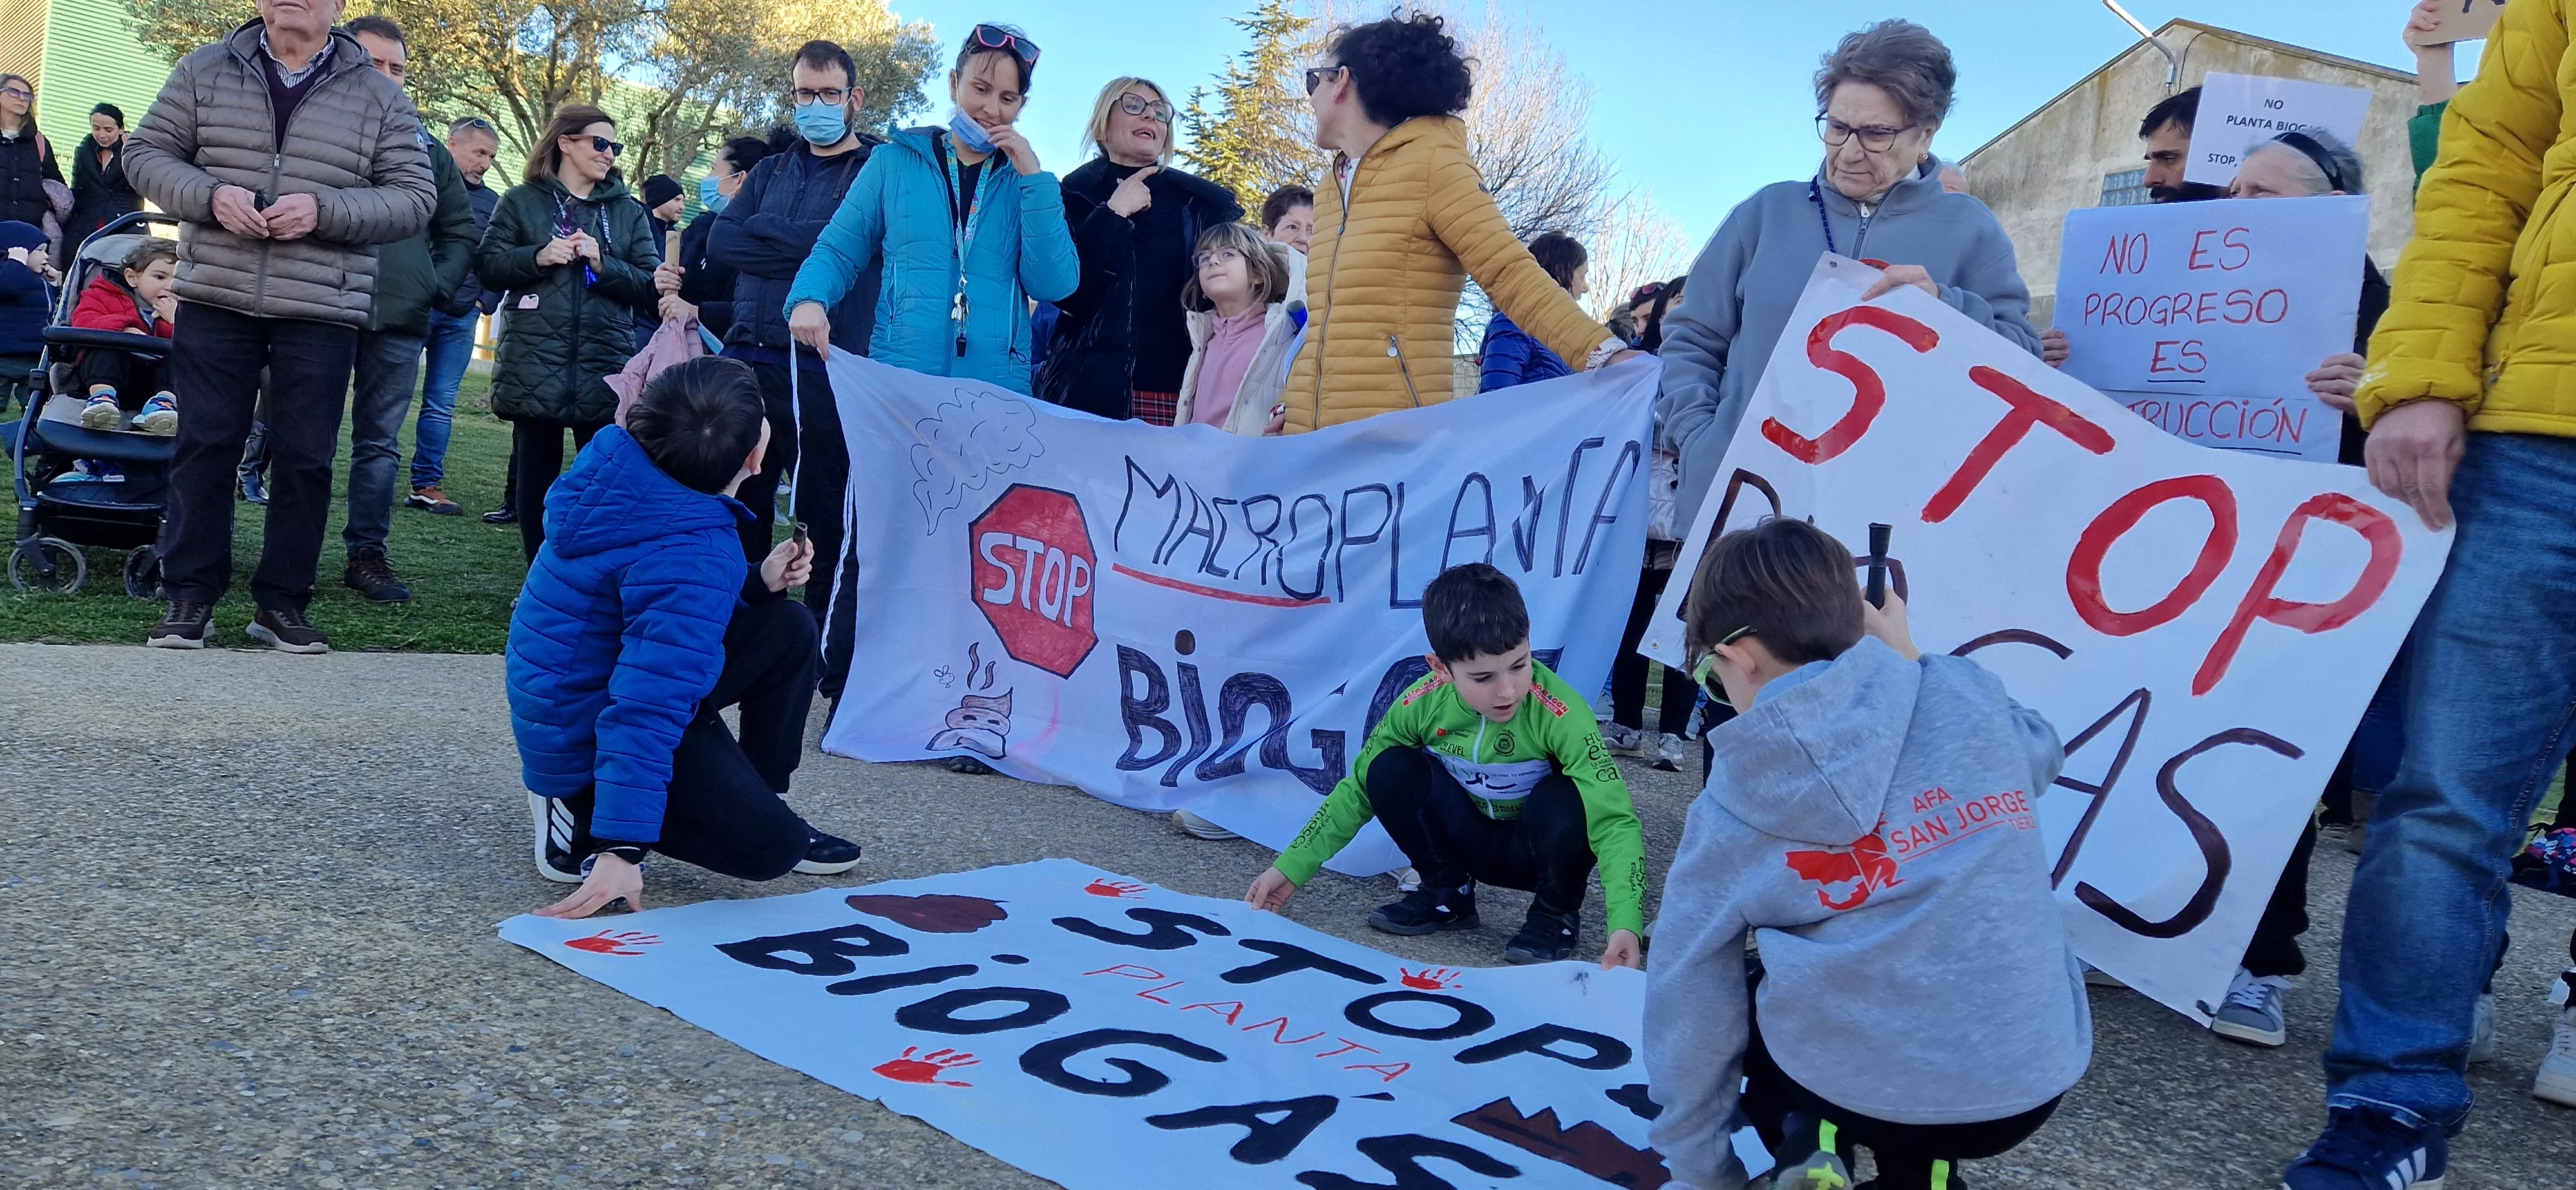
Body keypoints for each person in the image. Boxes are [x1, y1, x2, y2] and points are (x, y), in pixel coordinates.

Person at [2283, 0, 2576, 1179]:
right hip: (2539, 434)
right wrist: (2420, 375)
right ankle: (2391, 1104)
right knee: (2443, 795)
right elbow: (2485, 164)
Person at [1645, 518, 2087, 1190]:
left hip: (1851, 1085)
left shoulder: (1736, 797)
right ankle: (1927, 1180)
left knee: (1766, 989)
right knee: (1924, 974)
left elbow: (1688, 992)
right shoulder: (1961, 692)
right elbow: (2043, 752)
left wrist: (1704, 1170)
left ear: (1739, 659)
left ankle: (1811, 1137)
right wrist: (1908, 655)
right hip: (2024, 1084)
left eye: (1709, 677)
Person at [784, 22, 1077, 737]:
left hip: (993, 401)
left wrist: (1036, 181)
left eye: (1008, 98)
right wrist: (810, 299)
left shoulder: (1028, 180)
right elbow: (841, 245)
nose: (991, 108)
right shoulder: (895, 163)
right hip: (899, 393)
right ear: (953, 84)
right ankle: (848, 689)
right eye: (980, 88)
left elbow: (1056, 281)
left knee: (973, 556)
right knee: (877, 537)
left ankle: (966, 704)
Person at [124, 0, 436, 654]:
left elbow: (414, 197)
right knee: (205, 445)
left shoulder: (379, 95)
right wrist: (210, 196)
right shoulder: (204, 68)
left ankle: (281, 604)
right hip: (216, 292)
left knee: (305, 457)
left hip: (322, 304)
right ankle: (189, 597)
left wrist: (323, 211)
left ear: (340, 7)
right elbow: (147, 153)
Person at [509, 355, 862, 920]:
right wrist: (622, 846)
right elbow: (646, 706)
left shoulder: (617, 472)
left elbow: (645, 602)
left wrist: (756, 580)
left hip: (586, 685)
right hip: (584, 733)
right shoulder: (695, 554)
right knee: (772, 850)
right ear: (754, 457)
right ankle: (574, 806)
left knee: (788, 625)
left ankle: (759, 792)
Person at [1658, 19, 2040, 535]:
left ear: (1927, 134)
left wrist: (1943, 307)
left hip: (1890, 525)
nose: (1850, 151)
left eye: (1877, 133)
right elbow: (1692, 337)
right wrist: (1704, 438)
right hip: (1737, 506)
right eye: (1837, 127)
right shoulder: (1765, 213)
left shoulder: (1972, 231)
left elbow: (2022, 363)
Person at [1245, 562, 1649, 968]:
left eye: (1519, 665)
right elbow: (1358, 790)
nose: (1507, 690)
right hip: (1467, 840)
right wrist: (1290, 867)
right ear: (1440, 668)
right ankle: (1446, 893)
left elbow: (1615, 821)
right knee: (1387, 769)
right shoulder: (1419, 702)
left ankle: (1554, 914)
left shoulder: (1563, 713)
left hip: (1537, 852)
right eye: (1483, 677)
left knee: (1572, 795)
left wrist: (1626, 924)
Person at [1283, 14, 1626, 431]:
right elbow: (1325, 328)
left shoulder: (1434, 163)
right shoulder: (1329, 190)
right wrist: (1294, 409)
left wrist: (1606, 353)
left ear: (1342, 82)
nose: (1310, 98)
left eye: (1312, 82)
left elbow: (1510, 274)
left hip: (1392, 444)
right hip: (1308, 446)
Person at [706, 39, 886, 708]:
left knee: (823, 517)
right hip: (748, 355)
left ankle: (819, 661)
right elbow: (724, 243)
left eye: (827, 93)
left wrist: (776, 237)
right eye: (803, 93)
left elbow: (858, 249)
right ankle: (731, 642)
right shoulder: (775, 165)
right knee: (737, 509)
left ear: (854, 98)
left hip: (823, 365)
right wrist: (814, 242)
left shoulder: (877, 170)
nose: (814, 105)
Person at [475, 102, 657, 562]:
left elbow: (650, 286)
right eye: (600, 143)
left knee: (603, 477)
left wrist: (603, 263)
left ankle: (590, 575)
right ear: (565, 144)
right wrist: (537, 257)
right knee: (536, 472)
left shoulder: (628, 213)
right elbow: (489, 266)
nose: (610, 154)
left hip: (604, 360)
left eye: (615, 146)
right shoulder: (520, 201)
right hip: (535, 359)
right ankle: (539, 574)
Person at [336, 14, 476, 605]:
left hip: (399, 319)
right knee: (302, 440)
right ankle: (283, 558)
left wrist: (431, 286)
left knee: (378, 445)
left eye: (398, 68)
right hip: (318, 309)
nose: (388, 77)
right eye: (375, 64)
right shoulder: (313, 127)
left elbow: (459, 230)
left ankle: (366, 555)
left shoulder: (424, 145)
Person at [1036, 76, 1242, 424]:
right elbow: (1070, 296)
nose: (1150, 117)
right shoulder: (1067, 197)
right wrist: (1114, 214)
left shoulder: (1200, 204)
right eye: (1134, 106)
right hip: (1086, 390)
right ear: (1103, 124)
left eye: (1160, 112)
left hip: (1181, 391)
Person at [412, 115, 504, 518]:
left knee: (441, 403)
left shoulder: (495, 203)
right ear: (452, 146)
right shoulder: (422, 185)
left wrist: (487, 299)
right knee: (389, 398)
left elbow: (497, 256)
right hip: (415, 308)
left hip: (462, 315)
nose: (485, 162)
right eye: (479, 152)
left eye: (491, 156)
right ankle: (373, 478)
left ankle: (426, 484)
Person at [1171, 222, 1297, 435]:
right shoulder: (1202, 341)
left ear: (1258, 274)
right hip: (1196, 463)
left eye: (1228, 254)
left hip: (1253, 462)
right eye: (1204, 259)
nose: (1212, 261)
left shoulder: (1281, 334)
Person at [663, 135, 767, 345]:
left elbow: (759, 310)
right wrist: (660, 285)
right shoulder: (701, 226)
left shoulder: (763, 240)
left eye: (714, 169)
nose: (708, 177)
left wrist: (699, 312)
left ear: (740, 178)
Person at [71, 236, 178, 433]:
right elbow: (82, 322)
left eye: (178, 279)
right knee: (107, 346)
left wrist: (174, 322)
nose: (170, 286)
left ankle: (163, 405)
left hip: (153, 383)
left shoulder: (185, 311)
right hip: (107, 376)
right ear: (132, 277)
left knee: (179, 356)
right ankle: (101, 401)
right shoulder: (102, 294)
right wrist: (124, 329)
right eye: (160, 277)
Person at [1477, 231, 1587, 392]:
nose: (1586, 288)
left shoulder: (1561, 334)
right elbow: (1496, 398)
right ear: (1560, 274)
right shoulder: (1514, 323)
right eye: (1583, 277)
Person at [65, 103, 138, 247]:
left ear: (121, 129)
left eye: (108, 130)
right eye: (96, 128)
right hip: (87, 224)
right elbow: (77, 189)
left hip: (123, 224)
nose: (102, 135)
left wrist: (135, 151)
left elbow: (143, 184)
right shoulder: (84, 151)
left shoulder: (132, 151)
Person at [0, 74, 59, 231]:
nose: (21, 98)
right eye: (13, 92)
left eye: (27, 95)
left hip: (27, 233)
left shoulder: (39, 142)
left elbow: (56, 186)